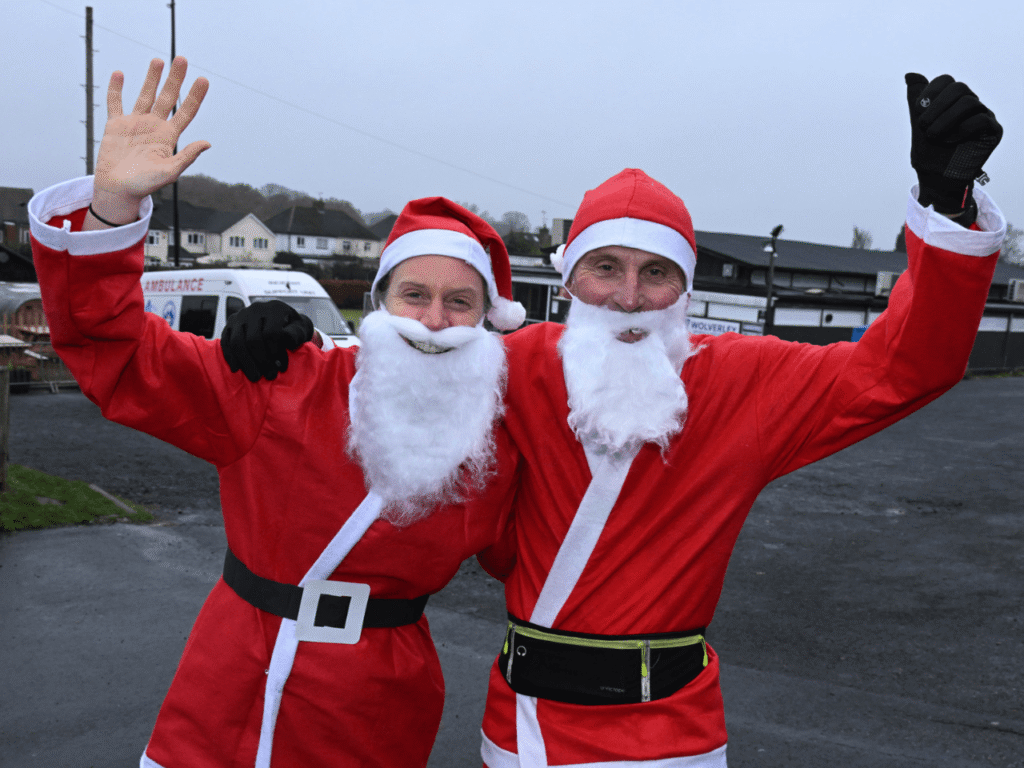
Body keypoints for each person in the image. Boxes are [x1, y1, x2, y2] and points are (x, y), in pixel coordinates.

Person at [227, 72, 1006, 767]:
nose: (629, 298)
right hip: (520, 727)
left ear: (685, 289)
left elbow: (906, 367)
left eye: (655, 273)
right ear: (569, 278)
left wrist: (949, 209)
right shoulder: (514, 363)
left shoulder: (745, 380)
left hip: (669, 735)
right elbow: (408, 359)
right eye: (606, 267)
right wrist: (291, 346)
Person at [29, 57, 527, 768]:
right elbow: (117, 354)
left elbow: (549, 560)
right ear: (379, 304)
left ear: (486, 321)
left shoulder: (496, 445)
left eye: (460, 302)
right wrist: (111, 209)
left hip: (378, 710)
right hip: (232, 686)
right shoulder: (282, 379)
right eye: (414, 294)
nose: (433, 319)